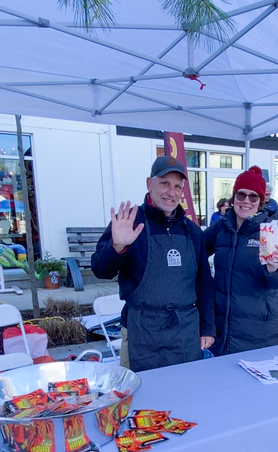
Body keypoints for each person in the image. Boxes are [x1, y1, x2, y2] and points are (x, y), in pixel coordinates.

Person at [91, 155, 215, 372]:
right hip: (141, 330)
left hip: (185, 331)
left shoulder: (192, 231)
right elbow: (100, 270)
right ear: (150, 183)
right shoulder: (129, 222)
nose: (171, 192)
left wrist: (207, 327)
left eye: (177, 186)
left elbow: (204, 284)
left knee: (187, 387)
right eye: (165, 183)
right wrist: (117, 247)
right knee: (143, 390)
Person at [205, 165, 278, 356]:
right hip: (222, 331)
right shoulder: (220, 228)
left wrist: (274, 269)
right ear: (234, 197)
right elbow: (196, 253)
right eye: (241, 194)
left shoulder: (271, 232)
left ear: (260, 201)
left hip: (258, 334)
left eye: (253, 196)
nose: (246, 201)